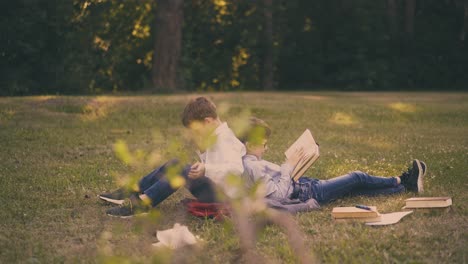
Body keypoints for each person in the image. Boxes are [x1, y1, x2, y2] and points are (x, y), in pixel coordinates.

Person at [101, 97, 246, 218]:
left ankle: (142, 204)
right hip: (215, 189)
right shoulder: (216, 136)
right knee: (175, 163)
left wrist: (206, 169)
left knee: (182, 169)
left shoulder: (226, 139)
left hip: (224, 197)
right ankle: (133, 190)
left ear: (207, 122)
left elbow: (236, 169)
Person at [240, 117, 426, 206]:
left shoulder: (251, 163)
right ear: (249, 144)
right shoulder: (252, 167)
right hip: (308, 193)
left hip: (305, 185)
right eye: (263, 144)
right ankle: (400, 179)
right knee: (356, 177)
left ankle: (406, 188)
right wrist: (288, 167)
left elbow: (276, 183)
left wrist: (298, 160)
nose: (266, 148)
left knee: (354, 190)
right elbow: (278, 196)